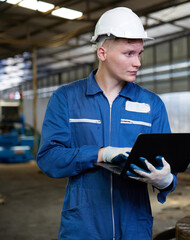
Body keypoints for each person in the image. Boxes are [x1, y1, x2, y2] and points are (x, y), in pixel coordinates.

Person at [37, 7, 177, 240]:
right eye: (129, 53)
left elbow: (167, 163)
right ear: (102, 53)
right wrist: (101, 154)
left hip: (134, 225)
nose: (138, 62)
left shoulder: (152, 104)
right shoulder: (67, 98)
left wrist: (166, 180)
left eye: (140, 53)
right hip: (84, 226)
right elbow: (49, 159)